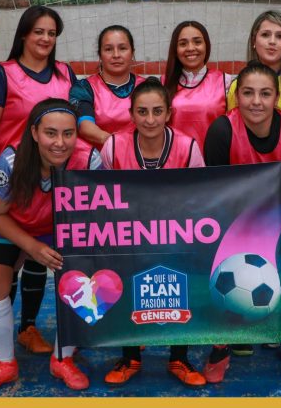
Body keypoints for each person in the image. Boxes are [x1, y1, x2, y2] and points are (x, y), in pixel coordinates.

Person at [0, 98, 100, 394]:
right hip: (6, 220)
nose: (60, 142)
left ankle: (62, 358)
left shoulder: (90, 160)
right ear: (34, 132)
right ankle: (4, 363)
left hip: (57, 225)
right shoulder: (12, 161)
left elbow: (96, 217)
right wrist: (31, 246)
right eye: (50, 133)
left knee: (90, 276)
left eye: (68, 133)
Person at [202, 62, 281, 386]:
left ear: (277, 97)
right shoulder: (222, 130)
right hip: (235, 216)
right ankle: (220, 347)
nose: (256, 101)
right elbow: (212, 188)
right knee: (221, 269)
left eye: (265, 94)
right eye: (248, 93)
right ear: (237, 96)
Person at [0, 5, 76, 366]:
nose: (46, 39)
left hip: (52, 186)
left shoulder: (66, 74)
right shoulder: (3, 75)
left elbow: (80, 123)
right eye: (39, 32)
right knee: (10, 258)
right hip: (12, 181)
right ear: (23, 34)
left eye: (52, 33)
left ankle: (28, 327)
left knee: (40, 256)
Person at [101, 78, 207, 388]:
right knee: (126, 283)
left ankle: (179, 357)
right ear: (131, 114)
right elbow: (101, 195)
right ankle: (130, 356)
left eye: (157, 111)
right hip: (128, 237)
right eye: (143, 112)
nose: (150, 120)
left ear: (169, 114)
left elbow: (201, 194)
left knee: (179, 284)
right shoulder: (113, 146)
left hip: (176, 236)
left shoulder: (187, 147)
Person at [162, 21, 234, 152]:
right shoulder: (162, 83)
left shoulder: (226, 82)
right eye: (183, 44)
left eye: (197, 42)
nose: (190, 48)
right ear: (175, 49)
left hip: (214, 164)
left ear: (206, 45)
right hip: (175, 162)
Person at [69, 25, 146, 148]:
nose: (116, 55)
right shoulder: (84, 88)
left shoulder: (147, 87)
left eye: (122, 48)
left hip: (142, 160)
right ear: (100, 54)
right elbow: (85, 126)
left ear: (132, 52)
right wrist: (117, 145)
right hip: (99, 162)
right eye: (108, 49)